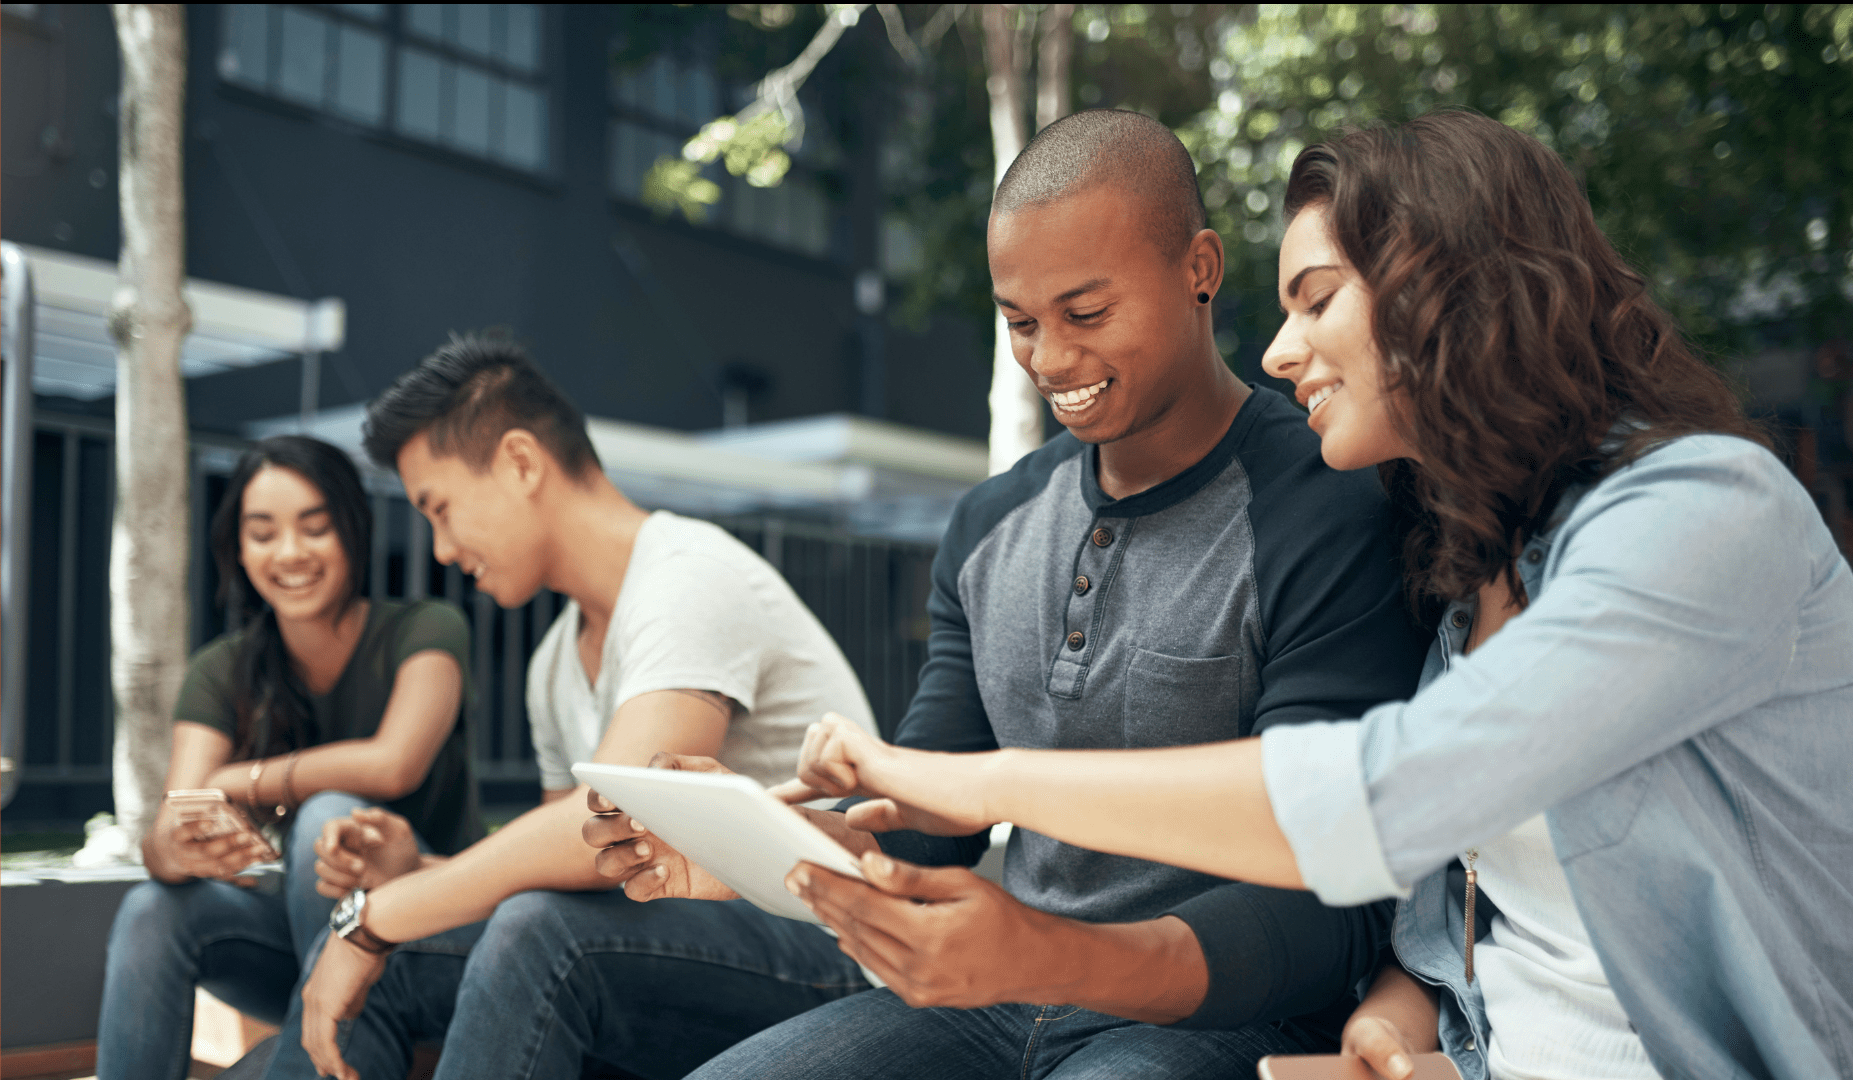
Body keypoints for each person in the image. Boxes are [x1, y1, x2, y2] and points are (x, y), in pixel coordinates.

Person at [775, 110, 1853, 1080]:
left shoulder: (1705, 511)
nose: (1281, 351)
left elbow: (1382, 795)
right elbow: (1451, 907)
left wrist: (985, 787)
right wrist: (1396, 1016)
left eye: (1316, 301)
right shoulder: (1474, 576)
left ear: (1453, 289)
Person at [658, 108, 1429, 1080]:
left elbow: (1326, 882)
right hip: (999, 992)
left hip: (1220, 1016)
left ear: (1198, 268)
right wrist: (751, 845)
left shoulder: (1331, 504)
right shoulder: (988, 527)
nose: (1048, 360)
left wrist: (1060, 955)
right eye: (1018, 323)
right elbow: (934, 821)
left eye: (1085, 313)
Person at [278, 336, 880, 1080]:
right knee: (392, 965)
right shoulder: (552, 664)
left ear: (521, 462)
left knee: (523, 934)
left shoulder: (688, 577)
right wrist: (419, 873)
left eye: (440, 510)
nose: (438, 548)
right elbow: (575, 865)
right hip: (684, 940)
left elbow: (621, 819)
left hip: (831, 944)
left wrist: (379, 916)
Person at [96, 436, 479, 1080]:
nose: (291, 553)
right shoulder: (223, 669)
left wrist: (244, 781)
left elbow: (394, 766)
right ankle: (332, 1036)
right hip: (300, 954)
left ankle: (343, 1037)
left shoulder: (428, 629)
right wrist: (177, 849)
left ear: (352, 532)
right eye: (263, 532)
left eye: (315, 527)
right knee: (152, 909)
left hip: (433, 939)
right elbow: (170, 827)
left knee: (325, 818)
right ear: (238, 549)